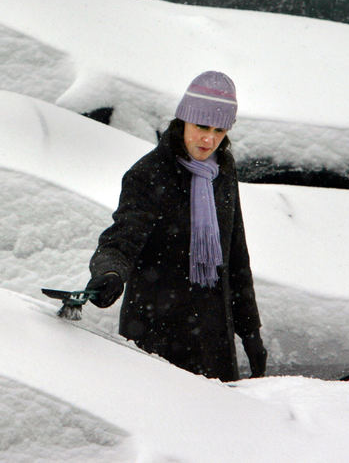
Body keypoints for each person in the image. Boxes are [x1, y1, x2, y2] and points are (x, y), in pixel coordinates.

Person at [86, 71, 267, 381]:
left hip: (213, 340)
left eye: (219, 130)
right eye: (201, 126)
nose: (209, 140)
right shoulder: (149, 175)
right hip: (156, 338)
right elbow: (121, 239)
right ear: (183, 120)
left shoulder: (222, 171)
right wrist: (110, 273)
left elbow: (236, 255)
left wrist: (249, 330)